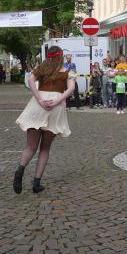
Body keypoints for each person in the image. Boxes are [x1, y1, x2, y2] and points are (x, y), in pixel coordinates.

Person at [14, 45, 75, 194]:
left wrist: (39, 99)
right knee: (45, 148)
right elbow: (70, 89)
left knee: (30, 147)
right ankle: (36, 183)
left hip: (37, 106)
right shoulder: (67, 72)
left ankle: (20, 171)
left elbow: (30, 80)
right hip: (56, 108)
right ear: (61, 56)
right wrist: (58, 100)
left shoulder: (41, 69)